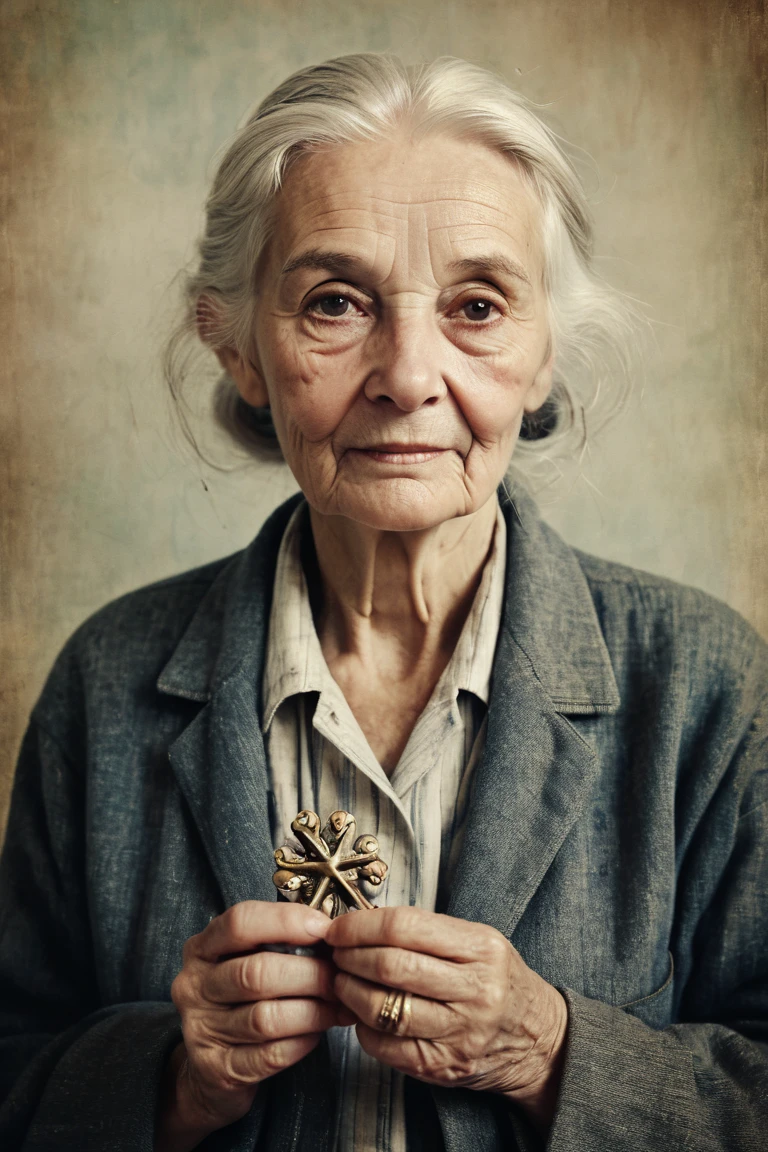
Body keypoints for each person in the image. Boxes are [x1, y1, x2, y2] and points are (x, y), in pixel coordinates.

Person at [0, 52, 766, 1152]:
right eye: (335, 302)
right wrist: (174, 1079)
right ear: (239, 346)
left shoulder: (705, 686)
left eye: (478, 305)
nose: (408, 374)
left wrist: (548, 1052)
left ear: (546, 353)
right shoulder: (107, 681)